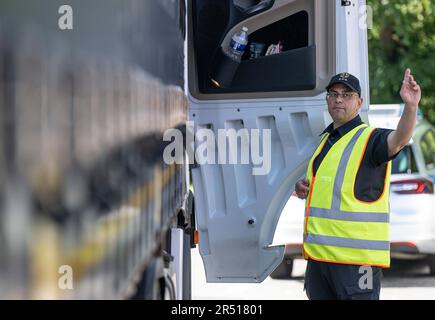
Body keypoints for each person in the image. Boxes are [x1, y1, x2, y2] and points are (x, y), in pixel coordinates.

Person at [295, 69, 421, 300]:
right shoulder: (326, 140)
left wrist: (410, 107)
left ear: (359, 102)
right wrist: (305, 188)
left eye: (347, 94)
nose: (338, 99)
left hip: (355, 262)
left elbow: (400, 138)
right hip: (320, 260)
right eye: (333, 94)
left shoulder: (370, 139)